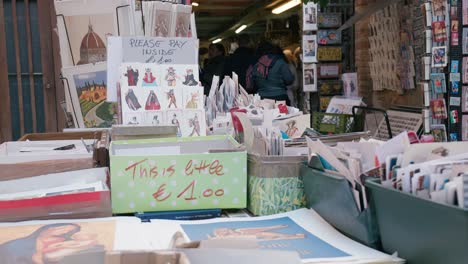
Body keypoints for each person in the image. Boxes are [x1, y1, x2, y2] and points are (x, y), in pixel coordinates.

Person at [0, 223, 104, 264]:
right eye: (62, 227)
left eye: (67, 231)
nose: (63, 231)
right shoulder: (14, 246)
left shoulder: (65, 243)